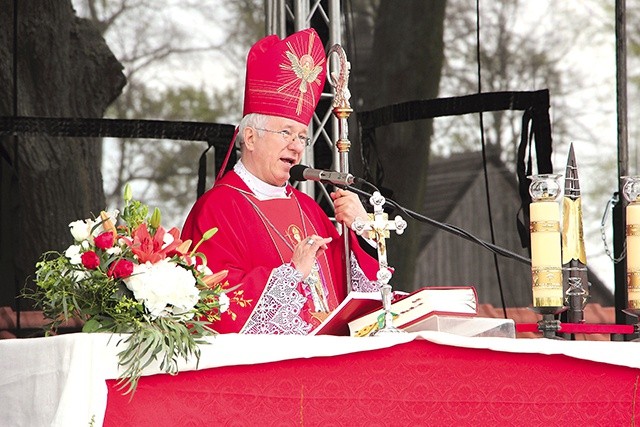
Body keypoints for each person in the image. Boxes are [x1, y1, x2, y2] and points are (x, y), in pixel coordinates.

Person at [182, 28, 380, 334]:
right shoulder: (217, 209)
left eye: (302, 136)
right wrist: (291, 275)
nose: (297, 146)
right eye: (285, 133)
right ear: (250, 137)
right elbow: (215, 306)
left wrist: (362, 232)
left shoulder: (309, 208)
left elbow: (356, 296)